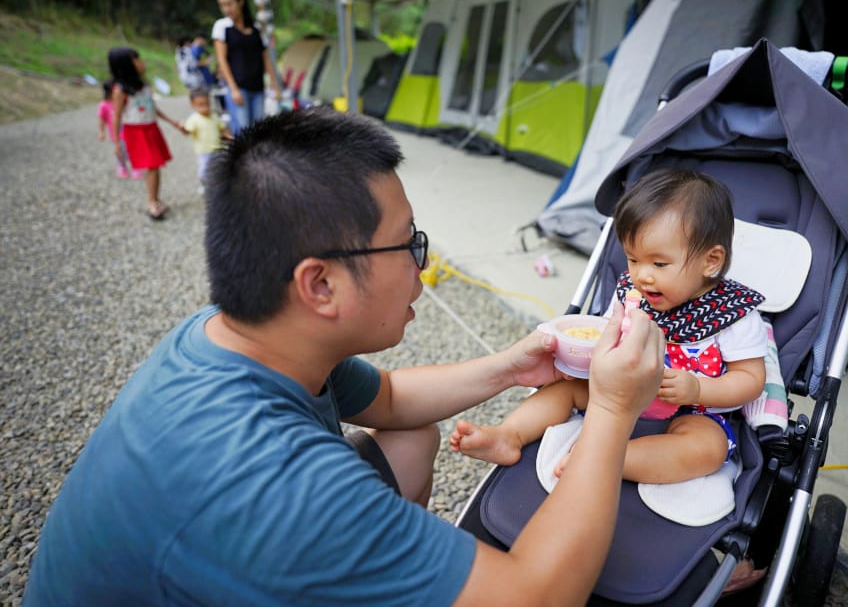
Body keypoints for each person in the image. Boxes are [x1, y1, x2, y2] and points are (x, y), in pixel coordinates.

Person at [23, 106, 667, 606]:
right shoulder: (283, 487)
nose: (424, 263)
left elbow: (387, 401)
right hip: (266, 513)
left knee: (411, 433)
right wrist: (612, 409)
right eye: (407, 244)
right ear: (320, 284)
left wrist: (514, 365)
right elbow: (541, 597)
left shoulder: (233, 335)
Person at [451, 168, 768, 488]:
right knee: (563, 389)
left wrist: (699, 389)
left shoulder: (733, 315)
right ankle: (509, 435)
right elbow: (605, 333)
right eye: (633, 259)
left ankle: (610, 460)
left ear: (710, 261)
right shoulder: (634, 293)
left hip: (690, 411)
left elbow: (751, 380)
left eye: (659, 264)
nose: (642, 276)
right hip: (618, 393)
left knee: (707, 448)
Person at [108, 46, 184, 220]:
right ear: (126, 65)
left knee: (155, 166)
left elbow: (153, 108)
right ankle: (151, 202)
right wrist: (117, 142)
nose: (142, 63)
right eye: (137, 60)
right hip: (136, 131)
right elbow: (117, 115)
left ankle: (155, 199)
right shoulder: (120, 90)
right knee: (152, 166)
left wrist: (172, 122)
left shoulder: (144, 85)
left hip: (151, 128)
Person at [212, 0, 282, 135]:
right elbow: (221, 59)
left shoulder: (256, 29)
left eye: (229, 4)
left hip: (258, 88)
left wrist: (275, 85)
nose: (226, 9)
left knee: (259, 131)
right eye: (222, 5)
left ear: (240, 1)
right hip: (239, 88)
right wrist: (234, 89)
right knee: (243, 132)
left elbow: (266, 59)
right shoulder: (222, 27)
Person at [181, 87, 231, 192]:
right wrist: (182, 128)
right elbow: (187, 131)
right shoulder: (194, 119)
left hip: (217, 148)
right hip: (203, 151)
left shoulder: (214, 116)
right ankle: (203, 183)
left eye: (207, 104)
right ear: (193, 105)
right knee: (204, 169)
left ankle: (218, 185)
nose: (205, 108)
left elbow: (222, 128)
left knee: (219, 167)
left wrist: (229, 136)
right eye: (201, 105)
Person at [96, 78, 141, 179]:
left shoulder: (122, 102)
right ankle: (122, 166)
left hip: (128, 131)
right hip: (115, 134)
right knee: (119, 151)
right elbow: (101, 119)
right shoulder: (104, 105)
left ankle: (136, 167)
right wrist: (101, 131)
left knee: (132, 150)